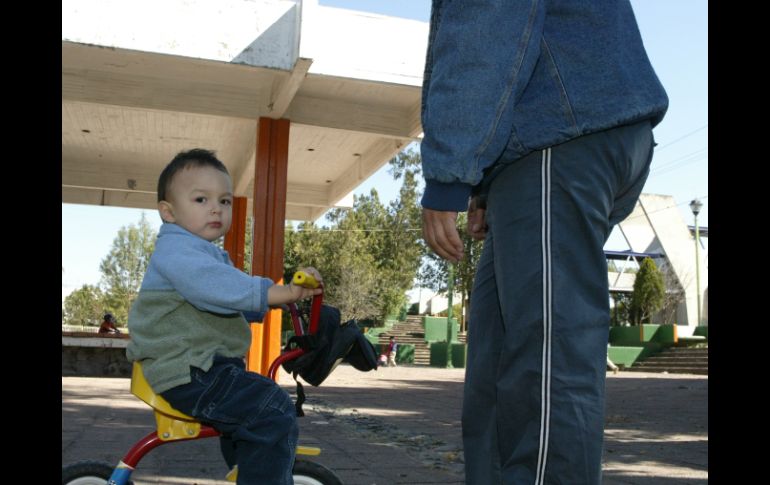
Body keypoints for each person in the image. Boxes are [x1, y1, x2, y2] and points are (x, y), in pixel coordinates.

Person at [419, 2, 668, 484]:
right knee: (498, 354)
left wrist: (451, 171)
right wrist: (486, 186)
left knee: (549, 360)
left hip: (563, 136)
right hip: (564, 135)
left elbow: (486, 32)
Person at [126, 148, 322, 485]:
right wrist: (283, 291)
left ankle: (246, 470)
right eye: (201, 199)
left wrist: (279, 300)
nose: (216, 208)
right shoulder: (179, 252)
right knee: (270, 406)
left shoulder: (205, 255)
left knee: (252, 402)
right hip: (187, 371)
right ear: (168, 212)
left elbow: (231, 299)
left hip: (198, 368)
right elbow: (220, 289)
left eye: (225, 201)